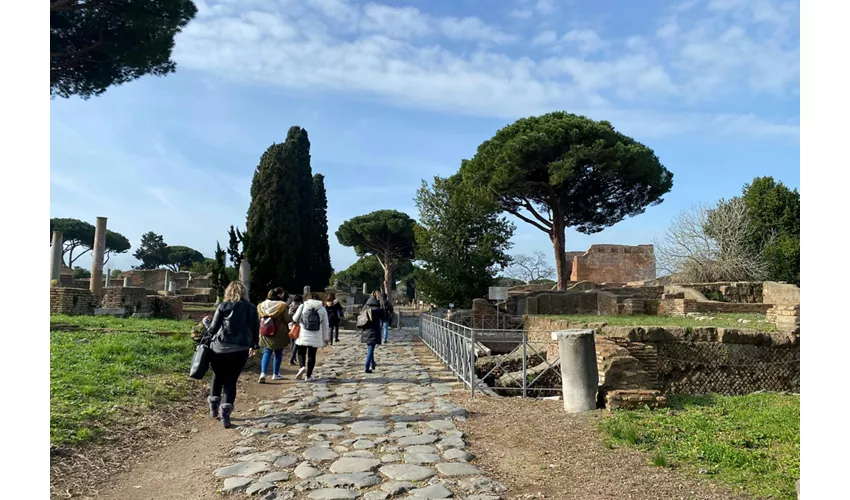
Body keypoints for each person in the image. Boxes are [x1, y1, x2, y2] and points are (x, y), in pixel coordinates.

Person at [205, 281, 259, 429]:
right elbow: (255, 329)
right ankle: (226, 415)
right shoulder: (252, 308)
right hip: (241, 348)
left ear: (228, 292)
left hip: (220, 348)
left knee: (217, 376)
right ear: (244, 293)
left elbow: (213, 329)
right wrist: (255, 344)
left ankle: (213, 408)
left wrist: (205, 325)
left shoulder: (222, 306)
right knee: (231, 380)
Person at [292, 292, 330, 381]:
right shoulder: (322, 309)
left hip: (303, 334)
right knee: (312, 355)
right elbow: (325, 325)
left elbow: (294, 318)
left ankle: (302, 367)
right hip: (316, 335)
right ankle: (308, 376)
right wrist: (325, 338)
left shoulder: (303, 306)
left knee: (301, 352)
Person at [257, 287, 290, 383]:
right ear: (280, 294)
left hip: (265, 330)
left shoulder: (262, 305)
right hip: (279, 332)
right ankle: (275, 374)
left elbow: (259, 318)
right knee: (278, 353)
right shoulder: (282, 305)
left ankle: (263, 373)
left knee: (266, 352)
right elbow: (287, 319)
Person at [360, 296, 383, 373]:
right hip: (374, 331)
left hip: (365, 331)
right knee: (371, 349)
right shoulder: (378, 310)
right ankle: (367, 366)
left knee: (370, 347)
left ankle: (372, 363)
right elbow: (384, 317)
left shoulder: (364, 308)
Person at [287, 294, 303, 366]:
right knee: (296, 344)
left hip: (290, 326)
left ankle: (294, 358)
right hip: (297, 326)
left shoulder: (290, 305)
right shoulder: (300, 306)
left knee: (292, 343)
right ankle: (291, 359)